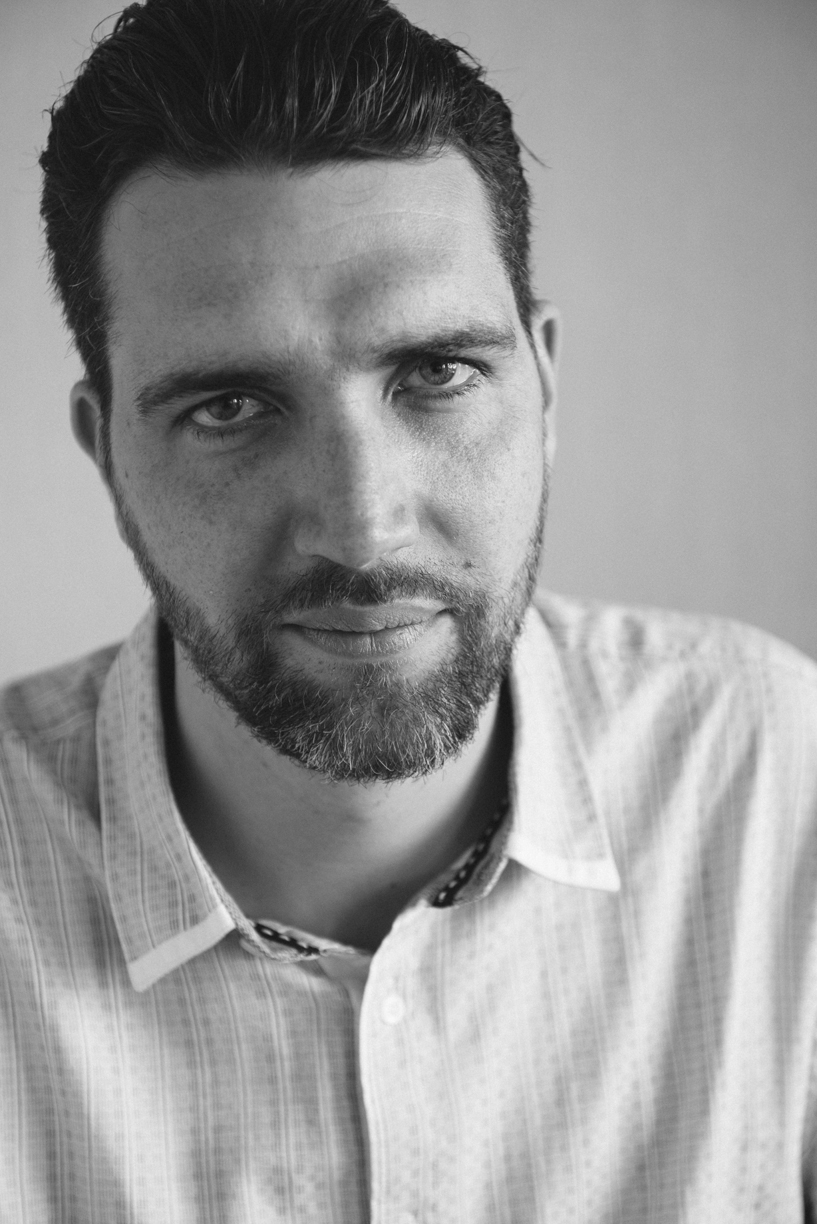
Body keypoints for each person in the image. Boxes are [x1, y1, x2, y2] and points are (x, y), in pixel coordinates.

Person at [1, 0, 816, 1218]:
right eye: (229, 407)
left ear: (543, 386)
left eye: (435, 373)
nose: (363, 527)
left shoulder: (778, 780)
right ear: (106, 451)